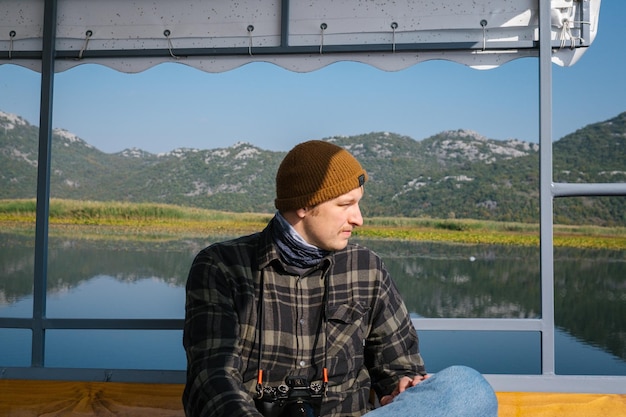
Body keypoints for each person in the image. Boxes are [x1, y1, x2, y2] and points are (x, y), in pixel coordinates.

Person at [183, 140, 498, 417]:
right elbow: (212, 382)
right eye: (346, 205)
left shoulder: (367, 268)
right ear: (305, 205)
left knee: (468, 387)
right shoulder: (221, 267)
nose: (359, 219)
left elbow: (400, 368)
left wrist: (401, 387)